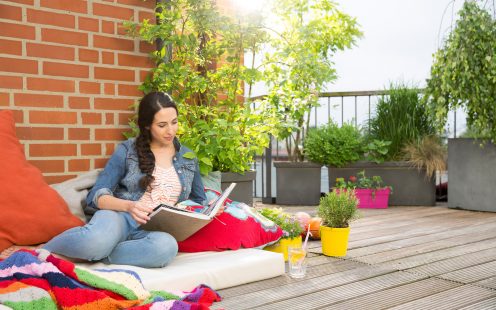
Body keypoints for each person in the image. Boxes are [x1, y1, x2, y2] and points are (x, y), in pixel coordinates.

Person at [43, 91, 213, 268]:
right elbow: (96, 196)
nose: (171, 130)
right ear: (147, 125)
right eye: (162, 125)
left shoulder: (188, 157)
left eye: (174, 122)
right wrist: (129, 206)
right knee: (97, 240)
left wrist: (211, 206)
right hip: (119, 217)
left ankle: (95, 256)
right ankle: (45, 248)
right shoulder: (127, 150)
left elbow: (198, 200)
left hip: (153, 229)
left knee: (167, 247)